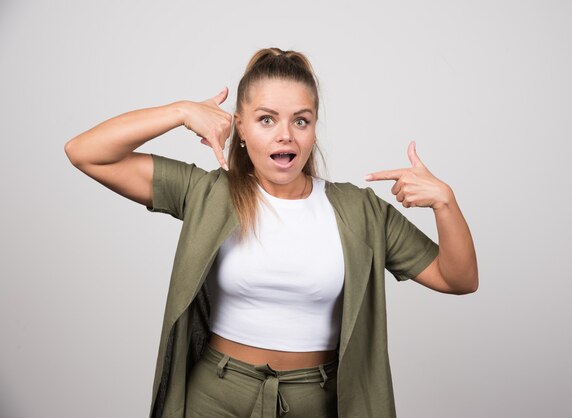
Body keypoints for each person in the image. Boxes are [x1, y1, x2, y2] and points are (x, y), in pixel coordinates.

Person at [64, 47, 478, 418]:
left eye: (301, 120)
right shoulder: (208, 192)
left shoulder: (360, 211)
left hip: (317, 399)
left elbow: (457, 279)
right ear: (240, 129)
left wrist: (446, 203)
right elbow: (86, 153)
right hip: (215, 396)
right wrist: (179, 111)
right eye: (266, 119)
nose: (286, 134)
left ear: (314, 130)